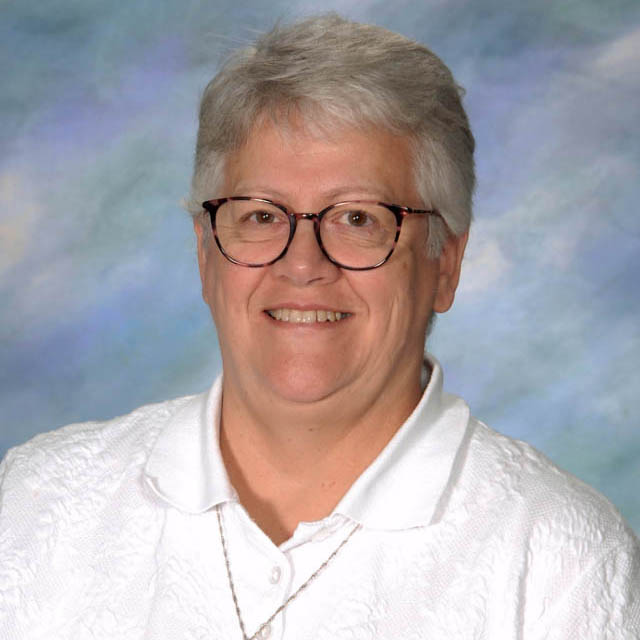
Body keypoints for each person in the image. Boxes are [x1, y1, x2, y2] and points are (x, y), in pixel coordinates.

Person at [1, 13, 638, 640]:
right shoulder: (37, 504)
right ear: (205, 254)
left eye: (358, 219)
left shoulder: (561, 560)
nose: (302, 264)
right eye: (260, 216)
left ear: (444, 263)